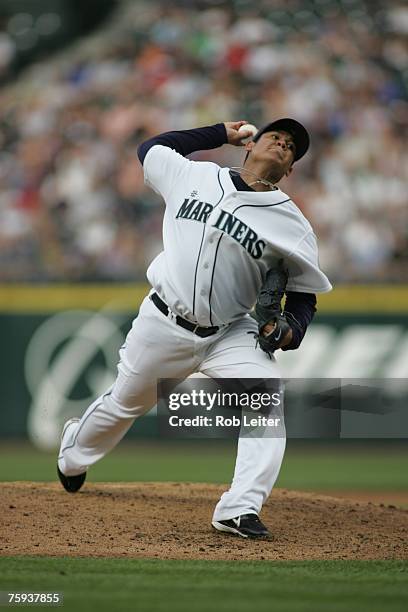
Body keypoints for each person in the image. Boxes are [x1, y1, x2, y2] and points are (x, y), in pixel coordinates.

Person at [57, 119, 332, 539]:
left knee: (267, 402)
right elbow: (152, 147)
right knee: (124, 404)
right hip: (164, 321)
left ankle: (239, 508)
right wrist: (220, 131)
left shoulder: (293, 224)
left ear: (291, 168)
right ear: (251, 145)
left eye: (291, 146)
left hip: (231, 331)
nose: (282, 143)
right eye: (276, 136)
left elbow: (303, 295)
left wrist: (291, 327)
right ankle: (73, 453)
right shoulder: (194, 175)